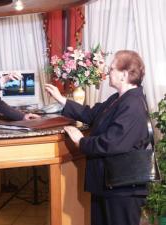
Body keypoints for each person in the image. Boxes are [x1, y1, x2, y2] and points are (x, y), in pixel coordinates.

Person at [45, 50, 148, 225]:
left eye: (112, 69)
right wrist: (62, 100)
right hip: (108, 184)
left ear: (124, 75)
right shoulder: (119, 98)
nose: (108, 72)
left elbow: (112, 143)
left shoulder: (133, 104)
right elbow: (91, 114)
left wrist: (81, 141)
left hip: (121, 190)